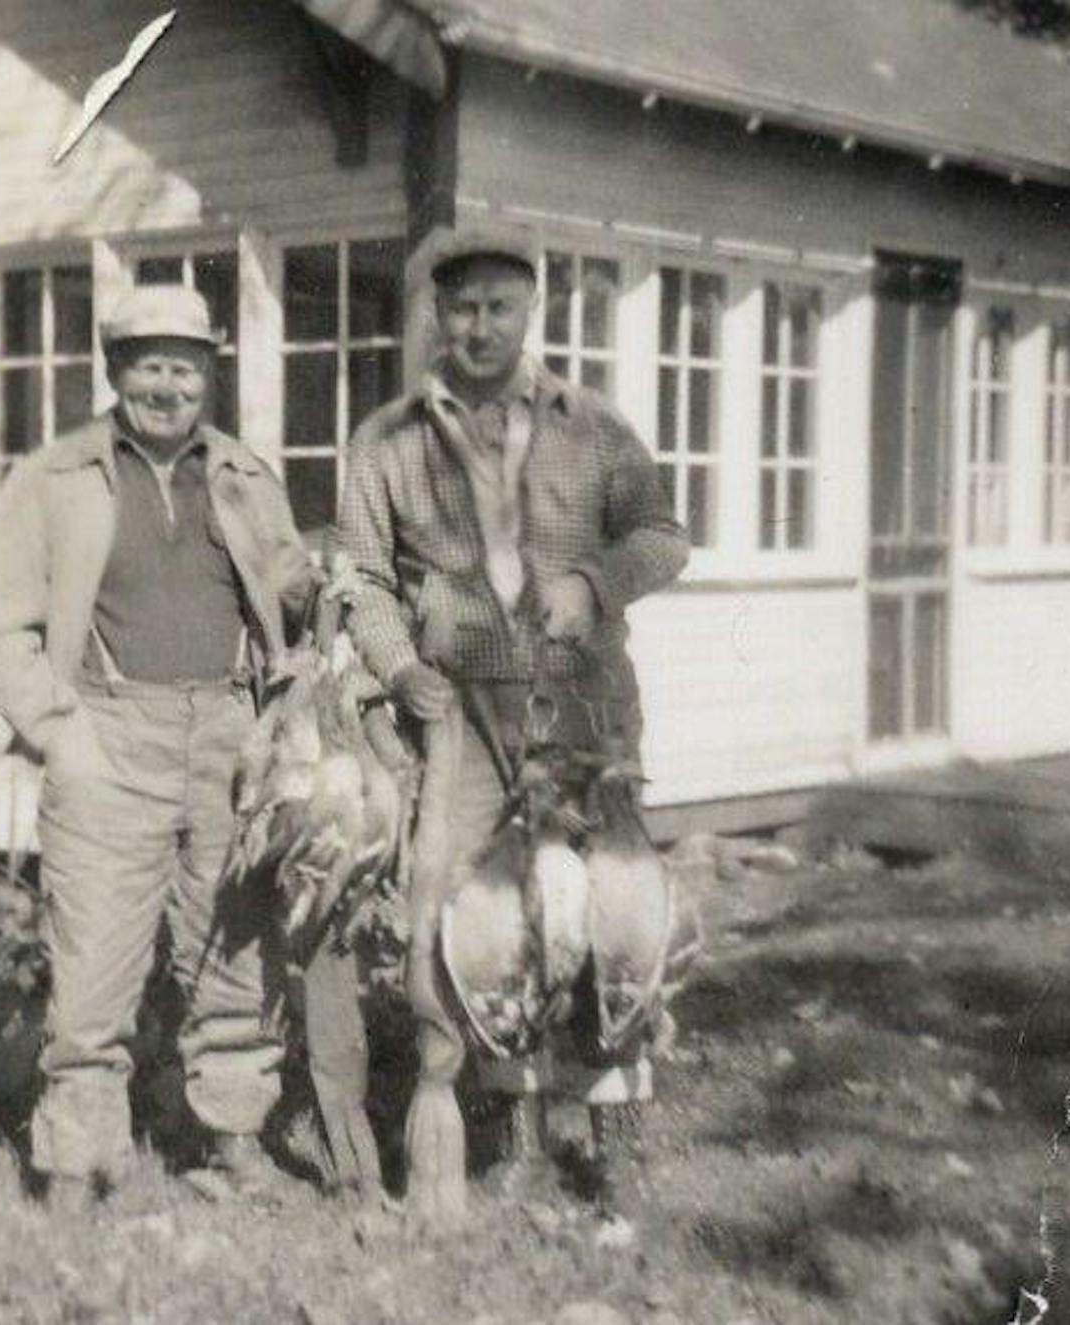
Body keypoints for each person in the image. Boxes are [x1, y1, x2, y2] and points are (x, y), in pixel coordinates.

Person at [336, 223, 690, 1219]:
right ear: (435, 315)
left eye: (500, 305)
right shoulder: (389, 442)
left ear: (532, 308)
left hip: (583, 711)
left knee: (607, 914)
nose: (480, 326)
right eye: (461, 307)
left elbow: (665, 537)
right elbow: (360, 578)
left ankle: (616, 1149)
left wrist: (597, 579)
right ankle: (511, 1137)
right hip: (460, 722)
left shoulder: (593, 427)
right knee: (479, 920)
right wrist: (399, 664)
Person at [0, 283, 318, 1209]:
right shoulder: (55, 478)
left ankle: (234, 1140)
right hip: (108, 734)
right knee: (93, 963)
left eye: (188, 364)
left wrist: (319, 593)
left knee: (236, 949)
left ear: (211, 372)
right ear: (114, 369)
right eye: (150, 363)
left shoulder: (244, 475)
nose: (169, 383)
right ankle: (77, 1163)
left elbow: (291, 594)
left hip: (229, 738)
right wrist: (55, 731)